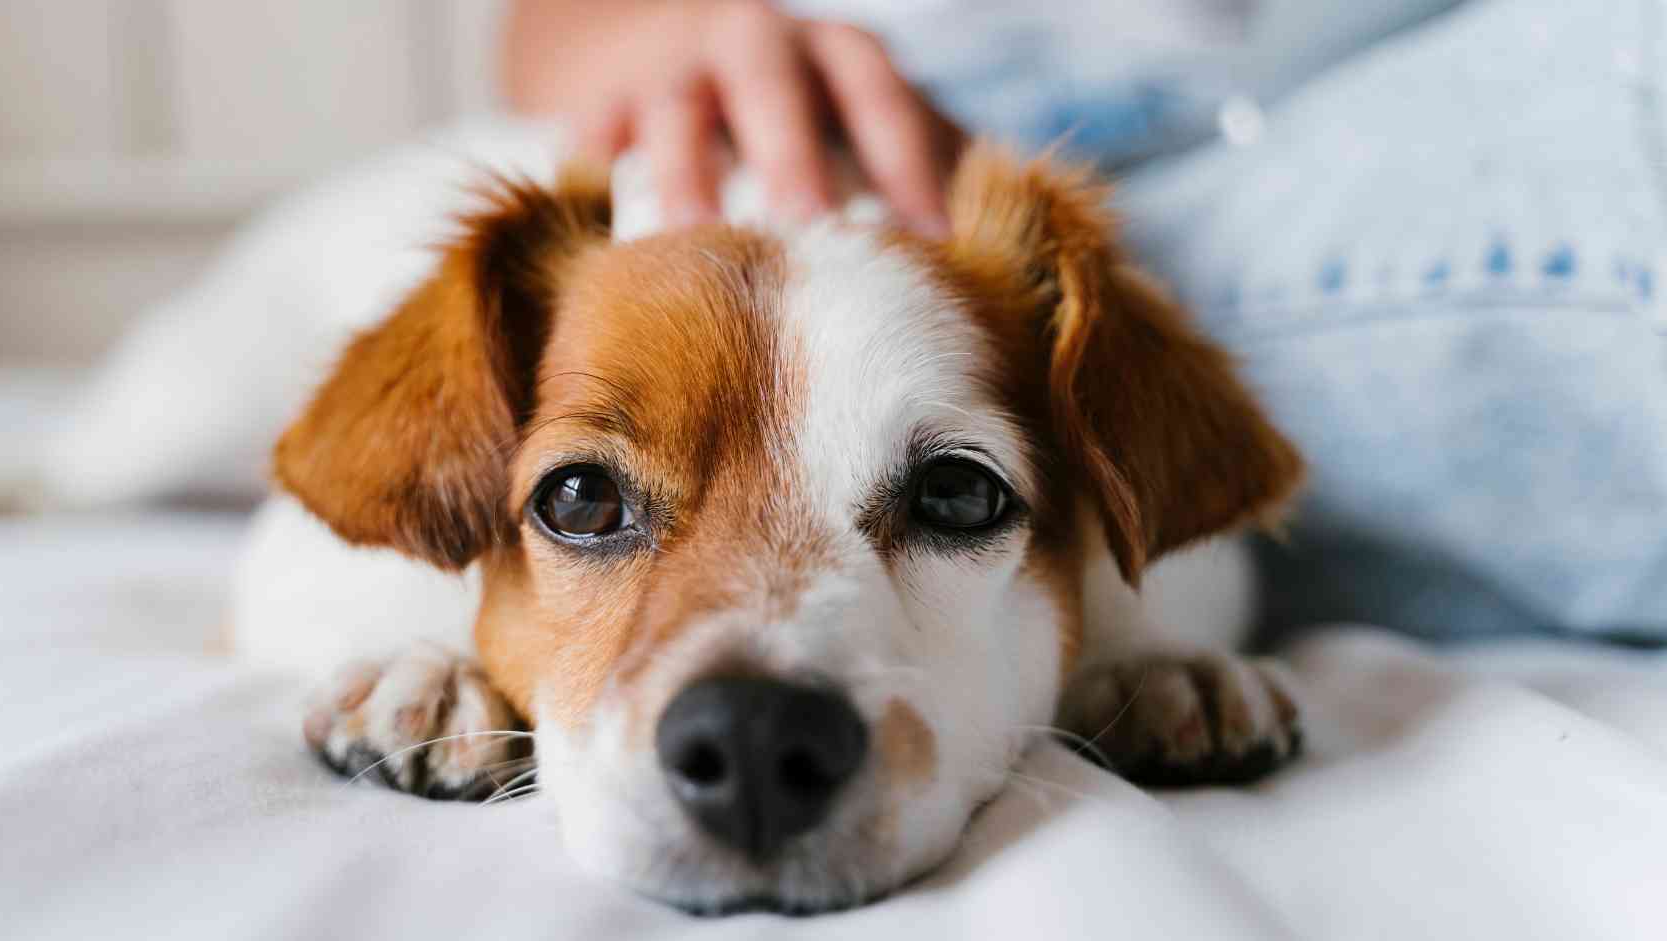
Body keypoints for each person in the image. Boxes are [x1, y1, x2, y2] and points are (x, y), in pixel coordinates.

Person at [499, 0, 1667, 647]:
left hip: (1365, 102)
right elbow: (547, 27)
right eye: (585, 503)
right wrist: (679, 30)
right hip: (879, 167)